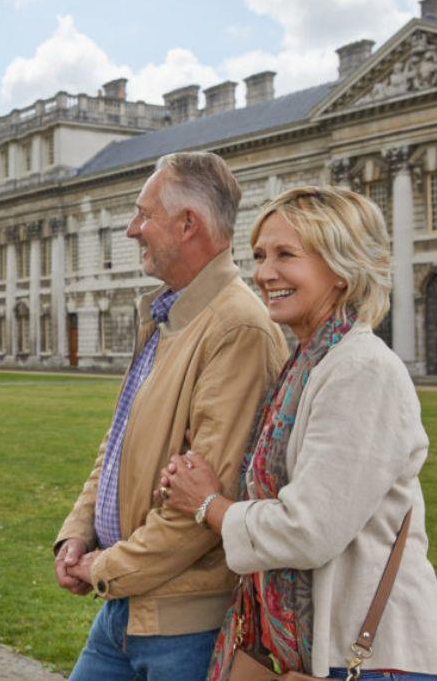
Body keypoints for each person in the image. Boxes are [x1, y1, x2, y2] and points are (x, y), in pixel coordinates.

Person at [159, 186, 437, 680]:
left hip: (375, 659)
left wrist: (208, 506)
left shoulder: (363, 369)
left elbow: (308, 530)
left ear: (342, 270)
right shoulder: (308, 362)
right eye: (260, 255)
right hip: (311, 654)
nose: (263, 273)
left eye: (286, 255)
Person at [54, 151, 288, 680]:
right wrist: (78, 533)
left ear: (188, 225)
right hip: (127, 607)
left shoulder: (236, 328)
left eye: (143, 215)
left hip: (185, 624)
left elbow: (202, 504)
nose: (133, 230)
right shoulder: (169, 314)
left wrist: (103, 568)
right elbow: (116, 448)